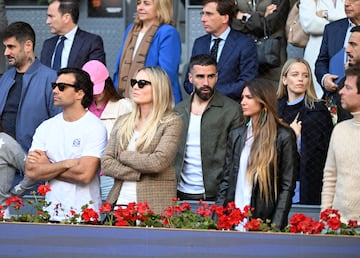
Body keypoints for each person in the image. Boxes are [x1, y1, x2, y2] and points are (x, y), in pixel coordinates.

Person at [23, 67, 107, 222]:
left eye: (62, 87)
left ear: (80, 94)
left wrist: (48, 165)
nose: (55, 91)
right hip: (51, 214)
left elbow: (84, 175)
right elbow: (31, 172)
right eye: (54, 86)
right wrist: (66, 164)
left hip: (85, 216)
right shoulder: (45, 127)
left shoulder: (95, 127)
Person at [216, 79, 299, 230]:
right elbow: (226, 181)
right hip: (233, 220)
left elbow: (287, 187)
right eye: (242, 97)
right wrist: (218, 219)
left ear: (263, 101)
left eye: (248, 97)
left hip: (263, 222)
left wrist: (275, 226)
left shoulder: (283, 136)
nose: (242, 102)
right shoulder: (237, 134)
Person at [101, 66, 183, 214]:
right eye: (134, 82)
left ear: (158, 88)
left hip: (155, 206)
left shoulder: (171, 121)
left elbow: (157, 162)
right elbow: (106, 163)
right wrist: (138, 174)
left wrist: (124, 156)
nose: (135, 87)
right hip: (120, 202)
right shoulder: (122, 121)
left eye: (142, 83)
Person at [174, 54, 243, 202]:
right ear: (190, 78)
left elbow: (236, 159)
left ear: (217, 77)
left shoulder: (232, 110)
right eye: (200, 77)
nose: (206, 82)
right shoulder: (177, 111)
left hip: (215, 195)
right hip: (179, 193)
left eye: (210, 76)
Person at [277, 58, 333, 205]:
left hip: (306, 184)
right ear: (284, 79)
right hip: (276, 183)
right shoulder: (274, 109)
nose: (300, 79)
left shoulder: (318, 111)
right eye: (295, 74)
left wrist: (298, 140)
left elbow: (323, 153)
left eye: (305, 75)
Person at [0, 21, 61, 153]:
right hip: (4, 160)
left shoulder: (51, 79)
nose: (6, 52)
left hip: (34, 161)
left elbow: (59, 123)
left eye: (11, 47)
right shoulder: (5, 78)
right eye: (5, 47)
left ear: (28, 45)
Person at [184, 0, 258, 102]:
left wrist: (212, 93)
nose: (203, 19)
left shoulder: (244, 44)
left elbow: (247, 80)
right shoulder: (199, 43)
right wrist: (200, 93)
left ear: (225, 18)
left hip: (231, 108)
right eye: (203, 14)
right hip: (201, 106)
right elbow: (189, 79)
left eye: (209, 14)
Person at [114, 0, 182, 103]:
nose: (140, 8)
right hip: (125, 101)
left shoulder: (168, 33)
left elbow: (165, 75)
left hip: (157, 103)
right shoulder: (130, 29)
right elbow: (119, 69)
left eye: (146, 4)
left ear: (160, 6)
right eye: (138, 3)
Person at [82, 60, 132, 200]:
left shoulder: (123, 106)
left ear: (107, 83)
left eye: (98, 88)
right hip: (86, 174)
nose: (95, 94)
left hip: (110, 175)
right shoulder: (81, 109)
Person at [321, 65, 360, 223]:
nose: (341, 91)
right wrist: (325, 218)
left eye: (348, 87)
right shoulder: (340, 130)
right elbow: (330, 177)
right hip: (337, 228)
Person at [232, 0, 290, 90]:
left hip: (271, 58)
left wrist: (243, 17)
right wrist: (262, 16)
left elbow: (270, 25)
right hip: (241, 57)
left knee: (271, 98)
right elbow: (231, 21)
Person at [40, 0, 106, 71]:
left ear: (66, 18)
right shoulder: (48, 44)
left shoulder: (91, 42)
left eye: (51, 16)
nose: (47, 22)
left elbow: (96, 76)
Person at [299, 0, 346, 98]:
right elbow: (309, 25)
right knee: (316, 98)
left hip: (342, 53)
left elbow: (353, 19)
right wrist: (341, 23)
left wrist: (327, 14)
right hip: (315, 54)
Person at [315, 0, 360, 97]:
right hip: (335, 98)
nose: (346, 4)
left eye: (352, 0)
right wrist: (325, 79)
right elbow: (321, 62)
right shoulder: (332, 29)